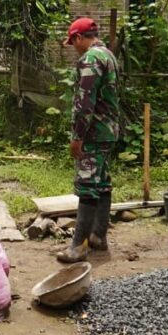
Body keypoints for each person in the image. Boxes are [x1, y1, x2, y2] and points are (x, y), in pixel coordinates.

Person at [56, 17, 120, 263]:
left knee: (87, 185)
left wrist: (77, 137)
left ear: (79, 38)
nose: (74, 47)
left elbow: (85, 103)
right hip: (109, 131)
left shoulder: (91, 60)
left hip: (94, 132)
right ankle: (98, 236)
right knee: (102, 183)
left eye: (73, 42)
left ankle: (78, 246)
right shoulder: (108, 55)